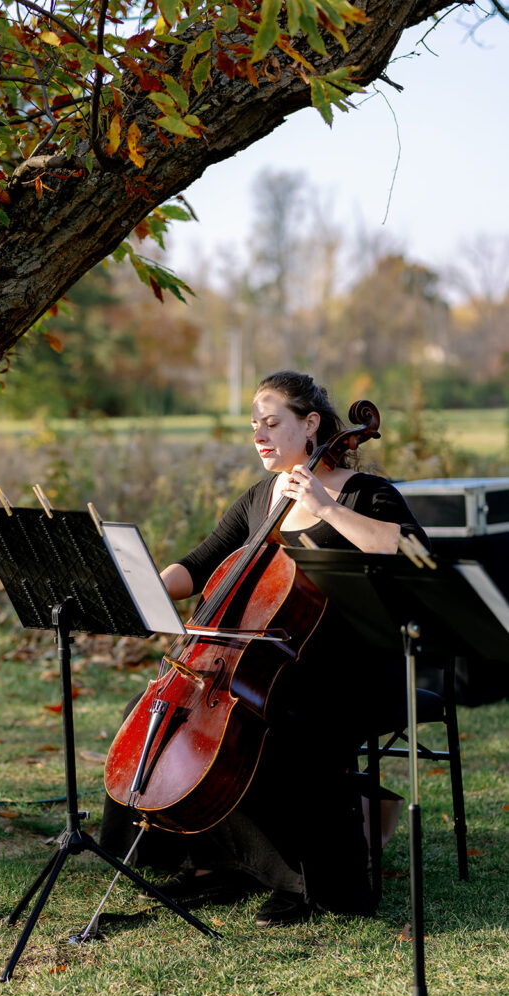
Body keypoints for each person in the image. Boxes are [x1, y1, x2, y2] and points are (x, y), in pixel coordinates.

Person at [100, 370, 428, 927]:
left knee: (284, 725)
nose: (260, 435)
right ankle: (215, 861)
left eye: (273, 423)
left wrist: (325, 508)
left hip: (354, 667)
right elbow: (200, 563)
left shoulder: (364, 493)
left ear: (312, 425)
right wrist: (139, 587)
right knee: (179, 715)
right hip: (271, 662)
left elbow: (412, 551)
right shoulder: (259, 497)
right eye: (255, 425)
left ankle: (301, 881)